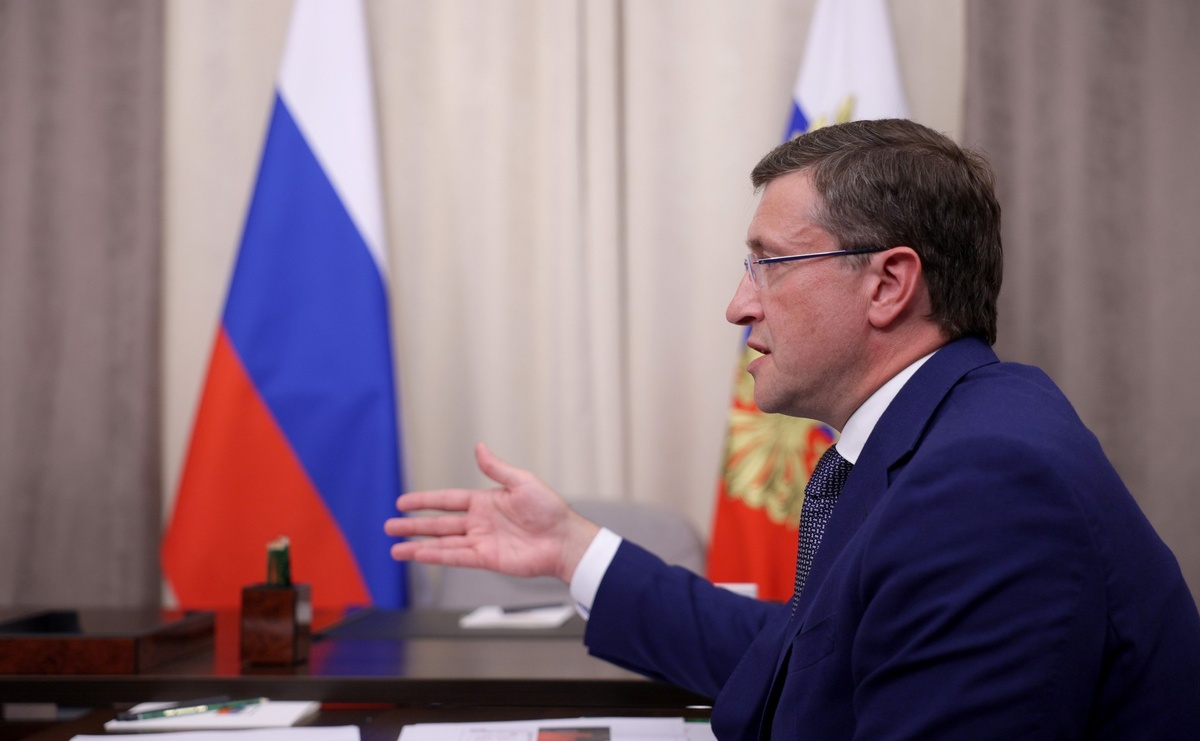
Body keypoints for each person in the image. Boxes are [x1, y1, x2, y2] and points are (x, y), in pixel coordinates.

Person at [385, 119, 1200, 739]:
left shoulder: (986, 485)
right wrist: (573, 548)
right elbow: (803, 652)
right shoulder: (954, 427)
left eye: (768, 264)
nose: (738, 306)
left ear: (888, 283)